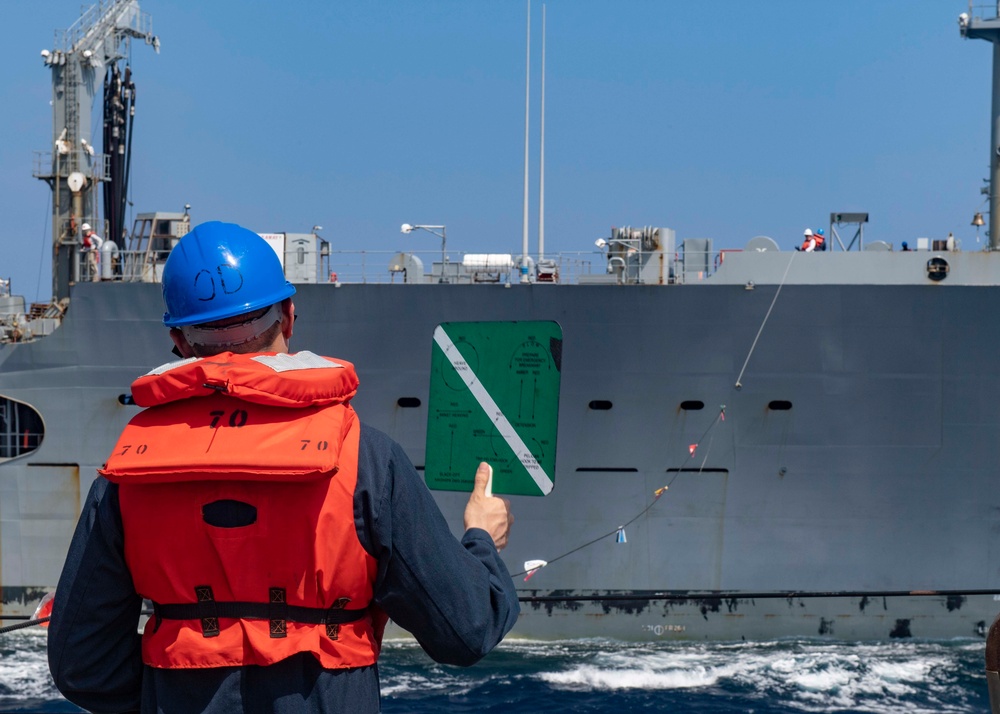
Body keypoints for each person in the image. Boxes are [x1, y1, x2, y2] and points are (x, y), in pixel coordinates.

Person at [48, 221, 519, 713]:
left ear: (180, 342)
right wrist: (481, 539)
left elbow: (83, 665)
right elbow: (466, 631)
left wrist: (171, 693)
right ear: (289, 316)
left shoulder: (128, 475)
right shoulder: (367, 460)